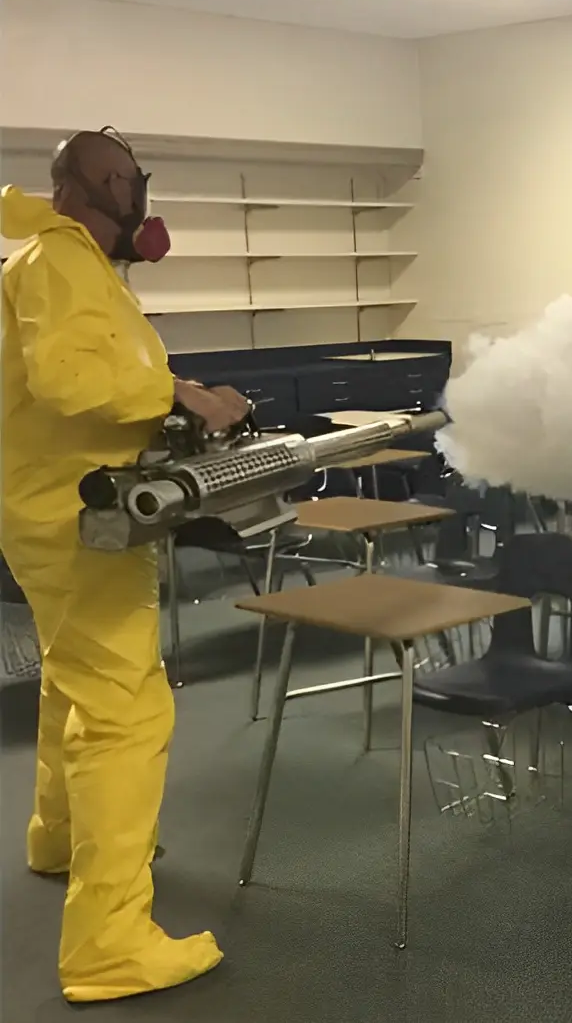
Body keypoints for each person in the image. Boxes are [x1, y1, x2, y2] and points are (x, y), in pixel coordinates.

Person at [0, 128, 246, 1002]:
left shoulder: (58, 259)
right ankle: (108, 944)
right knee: (127, 715)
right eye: (135, 183)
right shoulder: (60, 263)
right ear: (109, 183)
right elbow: (70, 381)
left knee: (71, 679)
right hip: (75, 517)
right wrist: (182, 395)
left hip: (48, 505)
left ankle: (58, 837)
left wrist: (168, 394)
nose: (142, 199)